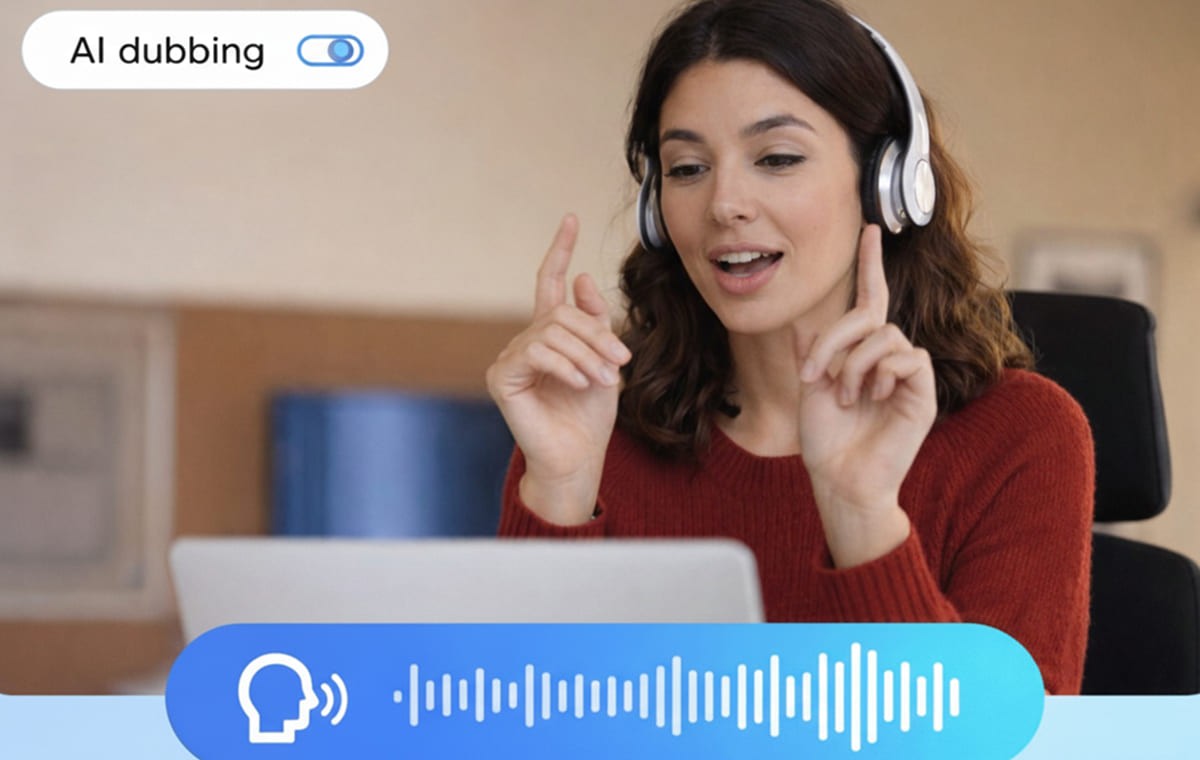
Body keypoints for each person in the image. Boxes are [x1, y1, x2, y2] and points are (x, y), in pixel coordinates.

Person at [486, 0, 1093, 695]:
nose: (724, 204)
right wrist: (561, 490)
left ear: (887, 184)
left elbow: (1005, 739)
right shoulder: (594, 429)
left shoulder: (1022, 437)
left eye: (776, 158)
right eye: (687, 168)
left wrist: (862, 518)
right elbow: (513, 716)